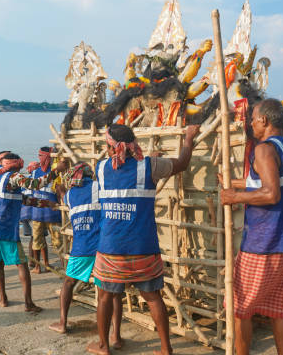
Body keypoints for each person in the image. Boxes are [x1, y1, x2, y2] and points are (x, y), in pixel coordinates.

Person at [88, 123, 200, 355]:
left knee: (105, 297)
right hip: (143, 248)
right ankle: (166, 348)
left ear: (112, 148)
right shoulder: (150, 166)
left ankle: (104, 346)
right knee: (153, 298)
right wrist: (188, 137)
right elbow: (182, 164)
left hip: (110, 248)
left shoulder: (99, 169)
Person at [220, 99, 283, 355]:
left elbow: (271, 194)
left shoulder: (264, 149)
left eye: (253, 118)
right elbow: (280, 184)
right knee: (278, 309)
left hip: (263, 244)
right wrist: (238, 184)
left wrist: (233, 197)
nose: (250, 123)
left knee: (239, 308)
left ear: (265, 121)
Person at [49, 163, 123, 347]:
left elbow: (61, 193)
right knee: (110, 293)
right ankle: (116, 337)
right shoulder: (100, 188)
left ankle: (62, 323)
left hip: (81, 248)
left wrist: (58, 178)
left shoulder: (70, 196)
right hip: (103, 247)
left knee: (68, 283)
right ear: (91, 175)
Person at [0, 152, 63, 312]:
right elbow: (35, 185)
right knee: (22, 265)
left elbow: (24, 199)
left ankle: (3, 299)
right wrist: (56, 171)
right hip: (5, 228)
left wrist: (47, 203)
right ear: (16, 164)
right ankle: (28, 303)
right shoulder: (13, 177)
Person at [28, 146, 62, 273]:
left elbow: (59, 191)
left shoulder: (56, 171)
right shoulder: (35, 172)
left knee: (58, 242)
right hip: (37, 212)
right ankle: (39, 266)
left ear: (48, 157)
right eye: (39, 155)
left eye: (41, 155)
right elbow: (30, 191)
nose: (39, 158)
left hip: (52, 213)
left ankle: (61, 265)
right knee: (37, 241)